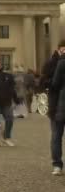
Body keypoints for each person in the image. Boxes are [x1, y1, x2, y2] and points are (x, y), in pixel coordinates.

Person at [48, 40, 65, 176]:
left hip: (60, 105)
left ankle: (57, 165)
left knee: (56, 136)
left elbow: (54, 84)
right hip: (60, 105)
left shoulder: (61, 63)